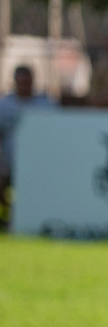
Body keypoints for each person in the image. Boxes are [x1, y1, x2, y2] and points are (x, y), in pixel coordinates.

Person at [0, 65, 51, 221]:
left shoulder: (46, 105)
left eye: (27, 82)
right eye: (21, 82)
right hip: (9, 158)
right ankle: (7, 216)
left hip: (39, 159)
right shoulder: (4, 105)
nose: (24, 85)